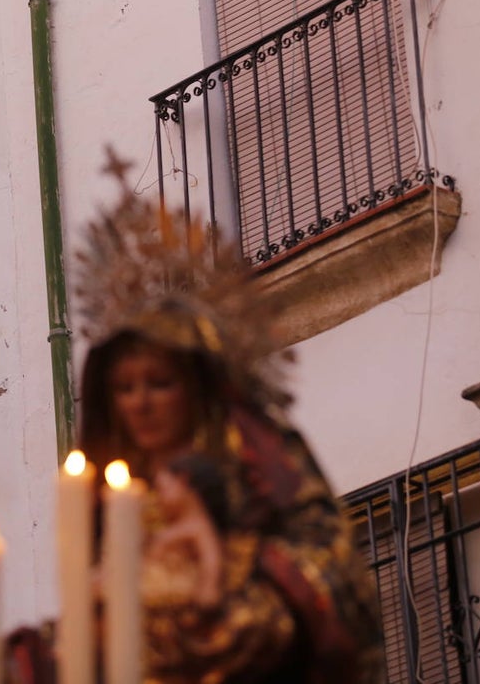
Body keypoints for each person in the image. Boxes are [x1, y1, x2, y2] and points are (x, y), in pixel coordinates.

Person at [74, 148, 382, 684]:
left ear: (196, 387)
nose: (140, 403)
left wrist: (235, 572)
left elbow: (329, 564)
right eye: (124, 389)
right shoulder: (110, 485)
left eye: (159, 384)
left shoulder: (258, 458)